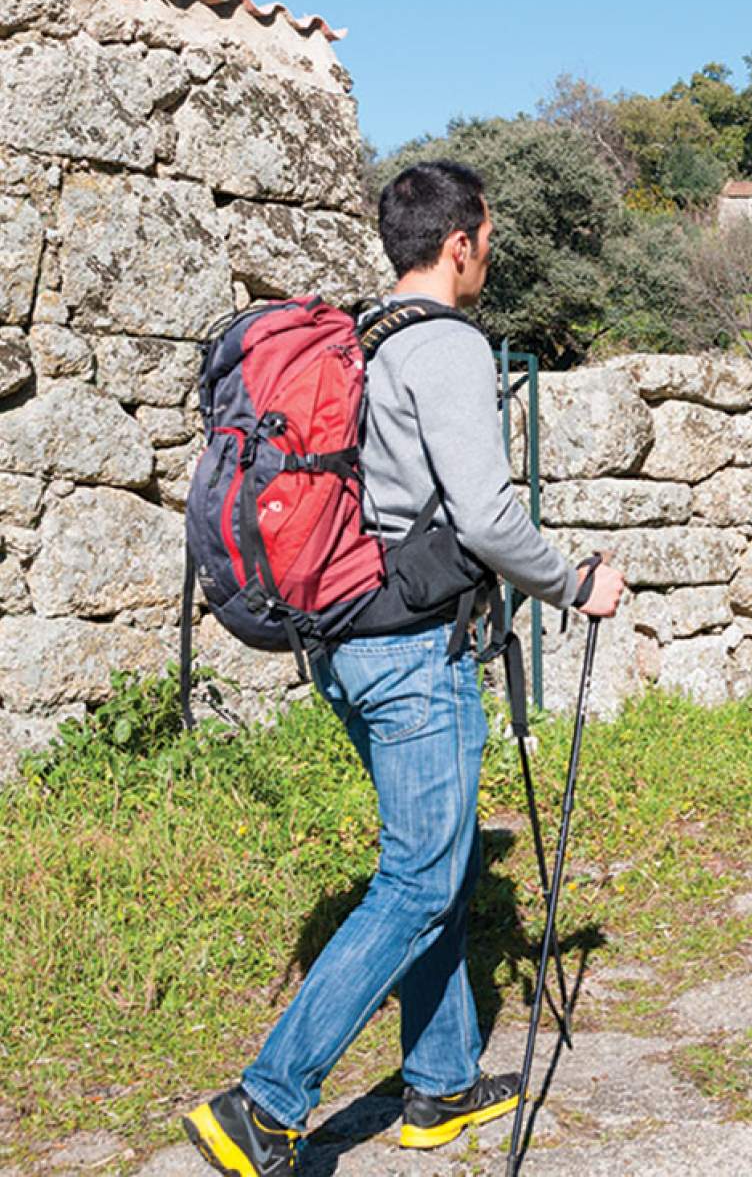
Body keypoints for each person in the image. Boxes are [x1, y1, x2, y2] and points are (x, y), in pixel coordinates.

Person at [182, 161, 625, 1177]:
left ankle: (440, 1079)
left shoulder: (362, 338)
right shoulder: (448, 349)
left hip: (339, 633)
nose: (488, 254)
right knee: (422, 876)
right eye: (488, 237)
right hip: (406, 648)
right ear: (462, 240)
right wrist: (573, 584)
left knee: (441, 860)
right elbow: (484, 514)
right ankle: (265, 1101)